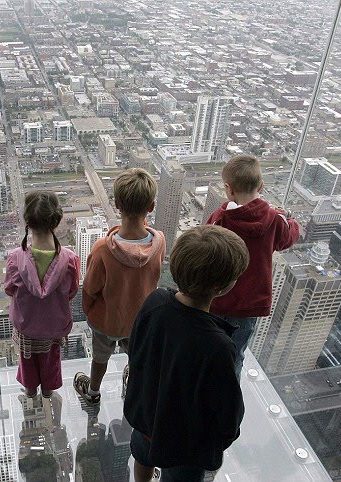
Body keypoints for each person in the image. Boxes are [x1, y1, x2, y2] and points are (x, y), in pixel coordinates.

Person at [124, 225, 250, 482]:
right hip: (185, 446)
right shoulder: (219, 346)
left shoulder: (155, 301)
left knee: (142, 456)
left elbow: (135, 350)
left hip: (146, 419)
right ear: (222, 287)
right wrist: (219, 442)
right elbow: (228, 412)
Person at [74, 168, 165, 406]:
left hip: (106, 321)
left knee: (100, 358)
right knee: (136, 356)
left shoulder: (103, 249)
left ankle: (93, 392)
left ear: (117, 205)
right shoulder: (159, 242)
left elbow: (90, 288)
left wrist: (89, 310)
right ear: (151, 207)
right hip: (140, 321)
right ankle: (134, 386)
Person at [207, 154, 299, 376]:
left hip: (218, 299)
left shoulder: (221, 219)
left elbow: (205, 243)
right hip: (249, 305)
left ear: (229, 190)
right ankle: (229, 400)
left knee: (208, 350)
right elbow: (290, 235)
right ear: (261, 185)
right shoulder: (275, 220)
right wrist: (288, 216)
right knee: (236, 355)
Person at [4, 191, 80, 398]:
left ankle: (30, 392)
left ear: (27, 221)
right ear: (56, 220)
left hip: (26, 326)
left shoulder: (15, 259)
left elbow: (10, 289)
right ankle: (48, 392)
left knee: (27, 361)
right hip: (54, 326)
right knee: (50, 359)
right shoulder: (70, 260)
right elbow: (72, 291)